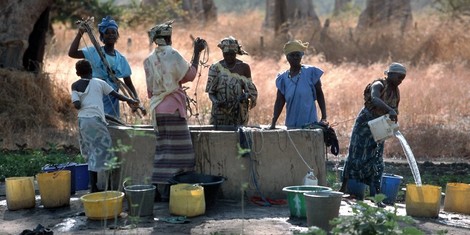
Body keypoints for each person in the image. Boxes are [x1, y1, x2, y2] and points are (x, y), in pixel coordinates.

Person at [144, 21, 206, 201]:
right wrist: (196, 52)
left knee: (163, 149)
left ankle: (157, 189)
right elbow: (191, 75)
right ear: (169, 38)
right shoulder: (173, 54)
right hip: (173, 109)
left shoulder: (148, 60)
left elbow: (150, 91)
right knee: (183, 154)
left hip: (157, 109)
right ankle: (173, 191)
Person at [339, 62, 407, 207]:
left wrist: (393, 118)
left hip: (380, 125)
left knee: (376, 158)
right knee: (355, 154)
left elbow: (394, 109)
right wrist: (389, 110)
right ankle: (342, 189)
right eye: (399, 77)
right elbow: (375, 98)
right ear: (390, 74)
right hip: (365, 123)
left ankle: (374, 196)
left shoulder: (396, 90)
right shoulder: (378, 84)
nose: (401, 80)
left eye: (403, 78)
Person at [71, 59, 138, 193]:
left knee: (91, 153)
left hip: (84, 121)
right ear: (91, 70)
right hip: (96, 121)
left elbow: (76, 104)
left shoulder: (75, 85)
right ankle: (109, 186)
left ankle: (94, 187)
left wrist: (82, 102)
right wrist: (130, 100)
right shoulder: (100, 83)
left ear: (77, 73)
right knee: (106, 151)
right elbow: (116, 95)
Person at [69, 16, 141, 119]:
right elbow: (72, 53)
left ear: (117, 35)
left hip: (113, 97)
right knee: (96, 119)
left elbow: (128, 82)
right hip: (95, 93)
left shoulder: (121, 59)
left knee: (111, 123)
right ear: (102, 36)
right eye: (107, 33)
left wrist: (135, 100)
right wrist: (80, 34)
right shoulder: (94, 52)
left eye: (113, 32)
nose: (111, 35)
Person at [270, 39, 327, 129]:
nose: (296, 57)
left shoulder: (311, 72)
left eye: (298, 55)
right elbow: (279, 102)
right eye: (292, 55)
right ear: (287, 57)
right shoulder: (283, 78)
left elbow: (319, 94)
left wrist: (324, 117)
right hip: (291, 124)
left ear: (301, 56)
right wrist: (273, 122)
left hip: (310, 124)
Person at [205, 36, 258, 126]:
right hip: (220, 113)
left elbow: (250, 90)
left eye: (232, 54)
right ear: (222, 53)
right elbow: (211, 92)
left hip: (239, 113)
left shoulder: (244, 67)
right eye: (226, 54)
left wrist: (244, 96)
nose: (229, 57)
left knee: (239, 137)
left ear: (236, 53)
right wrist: (216, 102)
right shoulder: (216, 68)